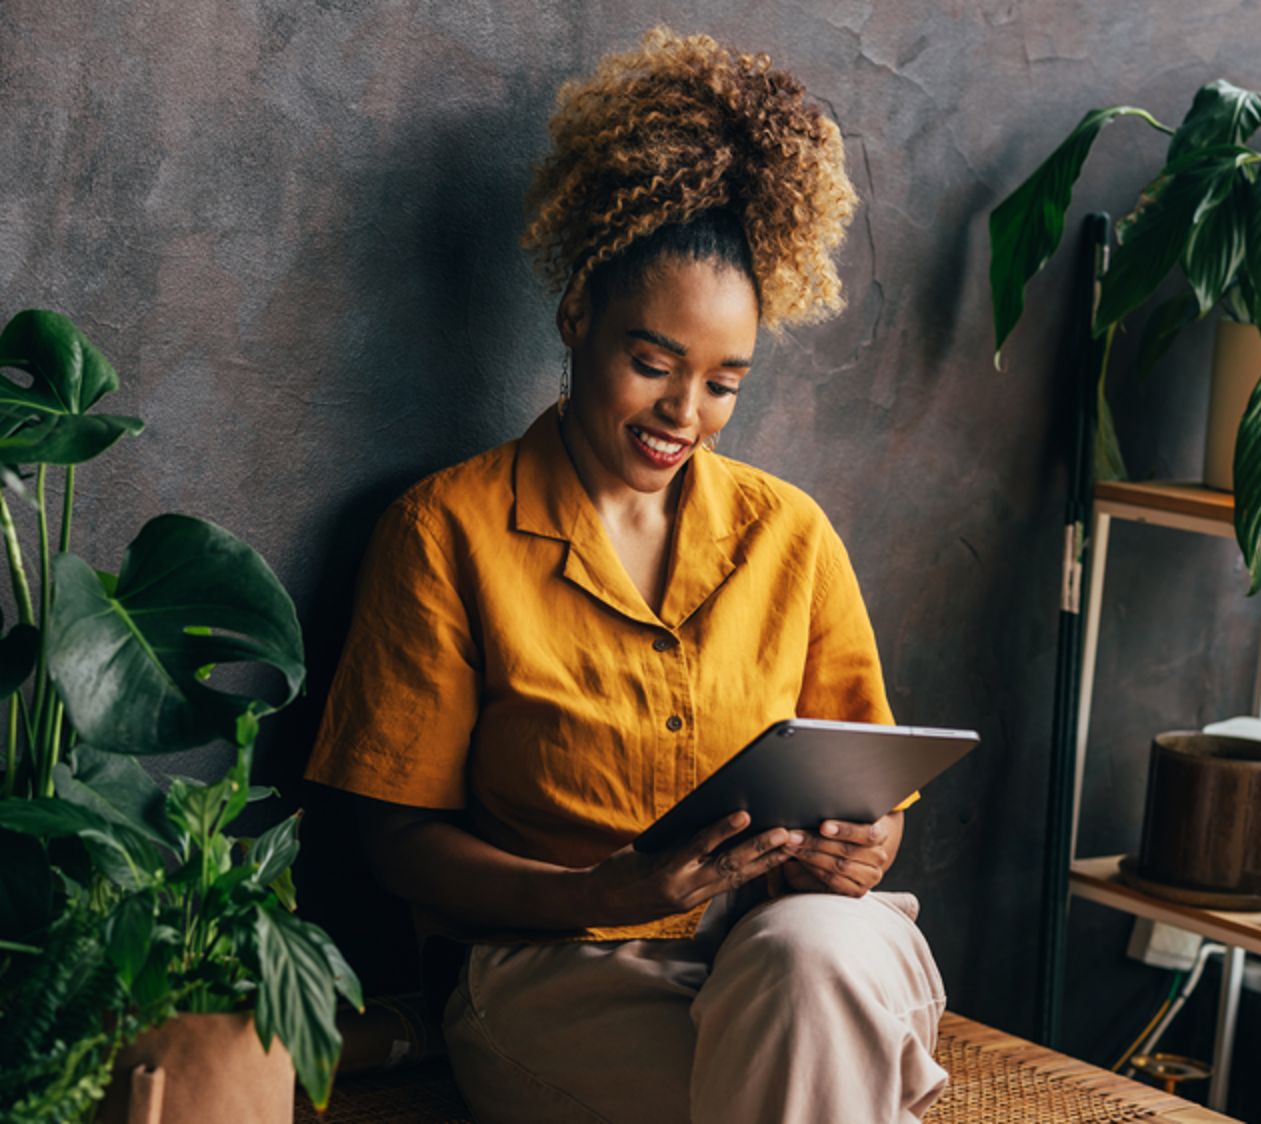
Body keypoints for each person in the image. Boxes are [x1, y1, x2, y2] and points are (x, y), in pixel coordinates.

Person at [306, 26, 948, 1123]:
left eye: (723, 383)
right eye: (652, 363)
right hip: (557, 971)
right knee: (802, 1068)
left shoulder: (790, 534)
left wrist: (864, 844)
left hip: (792, 943)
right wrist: (598, 892)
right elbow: (397, 843)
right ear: (577, 318)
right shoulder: (447, 531)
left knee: (812, 959)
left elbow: (870, 792)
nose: (682, 414)